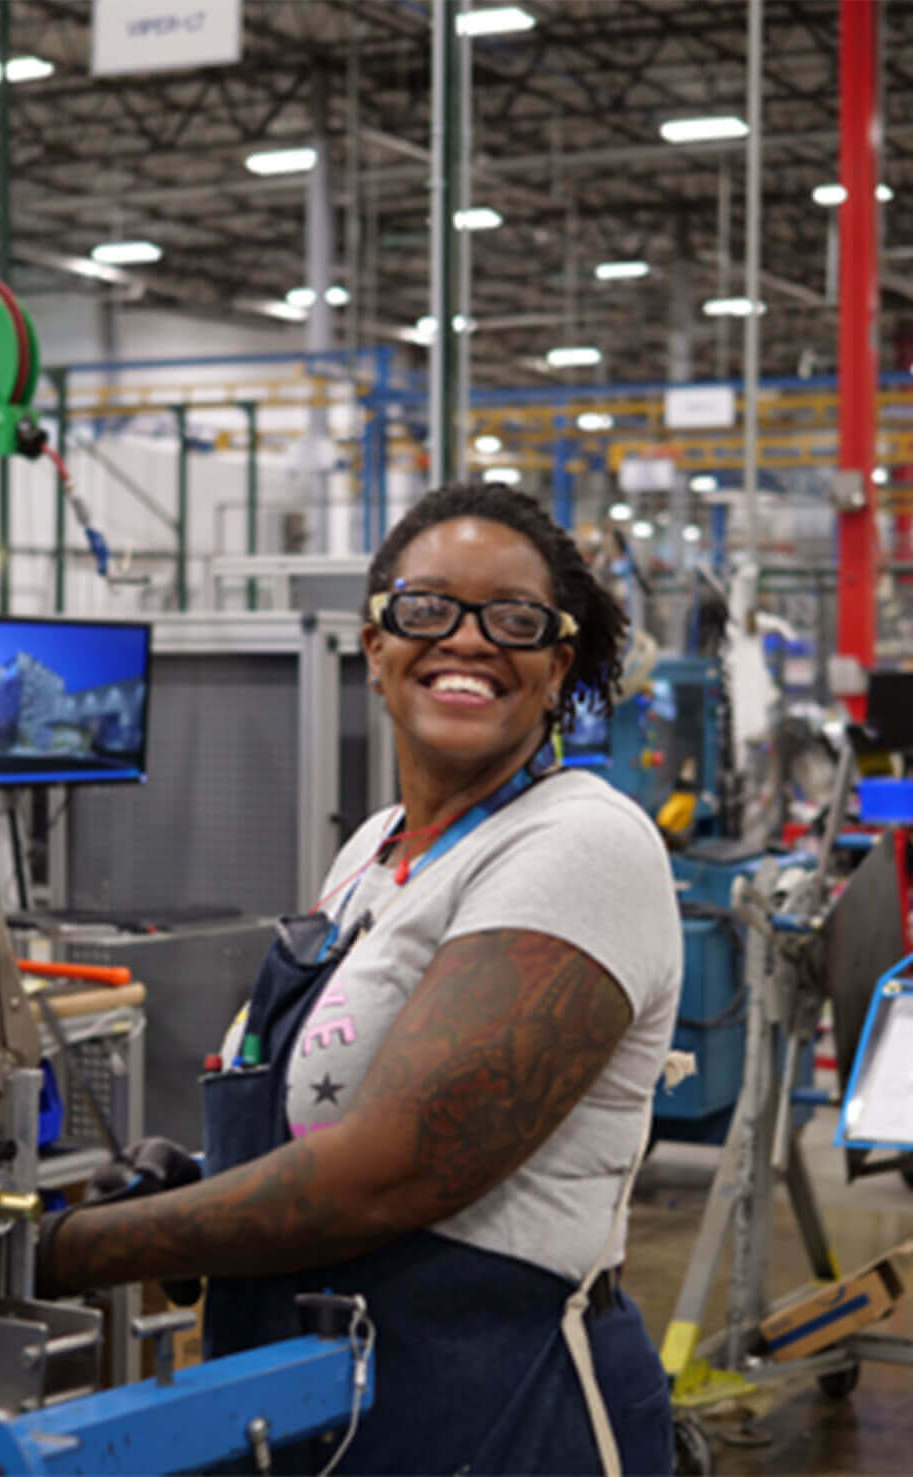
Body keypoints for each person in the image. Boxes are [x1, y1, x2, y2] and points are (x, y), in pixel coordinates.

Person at [37, 484, 682, 1476]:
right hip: (321, 1398)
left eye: (513, 619)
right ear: (375, 644)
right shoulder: (376, 851)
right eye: (427, 609)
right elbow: (335, 1107)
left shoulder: (583, 843)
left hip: (497, 1411)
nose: (466, 641)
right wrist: (206, 1192)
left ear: (557, 668)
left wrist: (68, 1247)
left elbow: (393, 1168)